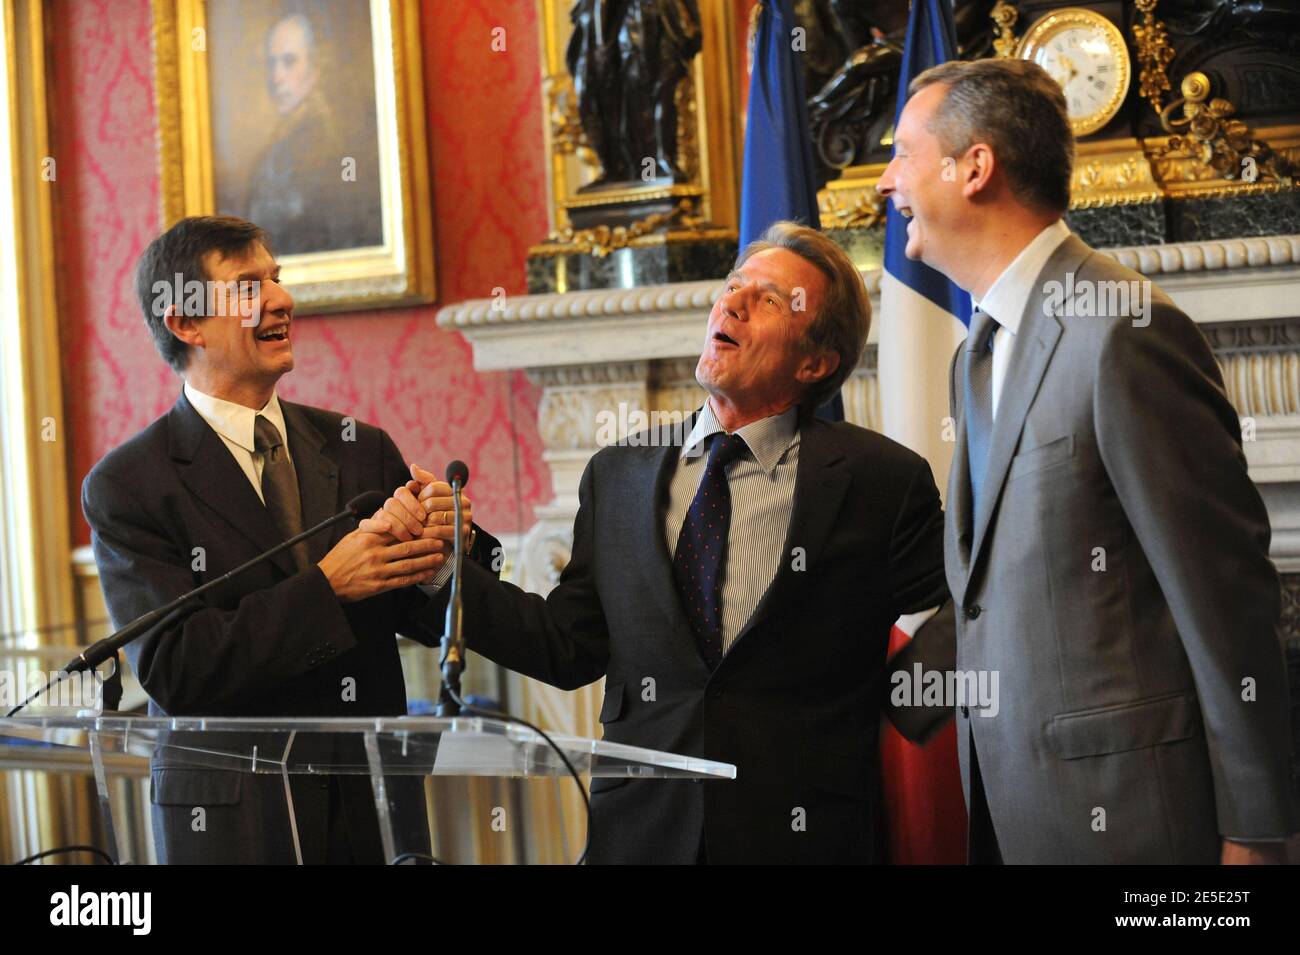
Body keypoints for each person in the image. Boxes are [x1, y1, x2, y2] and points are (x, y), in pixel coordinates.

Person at [368, 221, 951, 863]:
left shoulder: (881, 482)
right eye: (734, 286)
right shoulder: (618, 473)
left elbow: (969, 607)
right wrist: (442, 567)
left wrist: (897, 707)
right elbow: (568, 646)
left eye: (768, 300)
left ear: (815, 362)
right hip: (641, 835)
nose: (731, 303)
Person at [876, 57, 1295, 863]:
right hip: (1009, 807)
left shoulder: (1125, 329)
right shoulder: (978, 355)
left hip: (1134, 819)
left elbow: (1226, 592)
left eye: (903, 152)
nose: (887, 182)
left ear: (975, 167)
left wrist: (1258, 827)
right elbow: (992, 593)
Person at [82, 215, 496, 864]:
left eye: (276, 279)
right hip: (233, 823)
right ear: (185, 323)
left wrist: (452, 546)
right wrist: (327, 585)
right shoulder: (129, 484)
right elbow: (178, 668)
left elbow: (425, 607)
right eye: (249, 286)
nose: (282, 298)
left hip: (373, 810)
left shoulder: (361, 448)